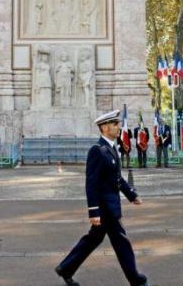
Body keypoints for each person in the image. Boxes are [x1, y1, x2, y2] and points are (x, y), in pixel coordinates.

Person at [55, 110, 149, 286]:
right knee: (122, 244)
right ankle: (137, 281)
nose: (118, 127)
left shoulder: (111, 149)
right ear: (105, 128)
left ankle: (66, 268)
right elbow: (91, 183)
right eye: (115, 124)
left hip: (111, 206)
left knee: (92, 239)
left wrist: (131, 195)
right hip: (106, 209)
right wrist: (94, 211)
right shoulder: (97, 151)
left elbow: (117, 178)